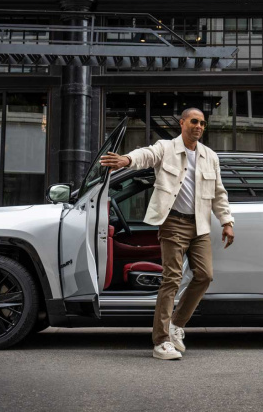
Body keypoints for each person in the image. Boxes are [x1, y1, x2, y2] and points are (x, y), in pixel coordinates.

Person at [100, 107, 235, 360]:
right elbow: (146, 155)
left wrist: (226, 221)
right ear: (182, 123)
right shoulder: (166, 148)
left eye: (203, 123)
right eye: (194, 122)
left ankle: (176, 325)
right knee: (171, 278)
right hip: (173, 223)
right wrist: (126, 160)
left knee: (205, 275)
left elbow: (219, 192)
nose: (199, 127)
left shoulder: (210, 156)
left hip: (200, 225)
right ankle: (161, 341)